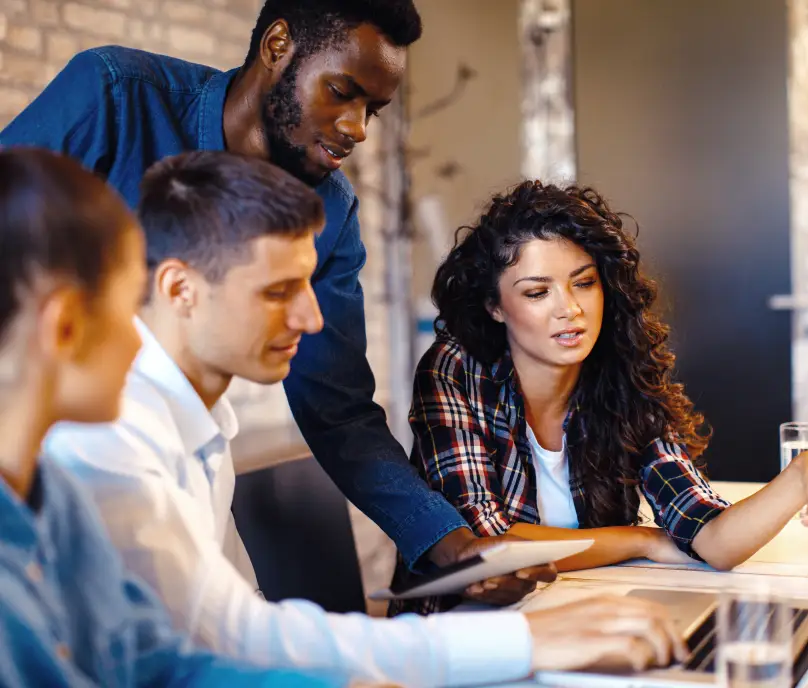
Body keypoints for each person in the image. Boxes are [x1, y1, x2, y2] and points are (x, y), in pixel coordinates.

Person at [43, 151, 687, 686]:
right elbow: (219, 640)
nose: (312, 319)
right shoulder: (114, 436)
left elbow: (240, 623)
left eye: (309, 287)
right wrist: (518, 641)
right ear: (180, 289)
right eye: (277, 292)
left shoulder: (196, 418)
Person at [0, 0, 528, 599]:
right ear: (277, 47)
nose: (356, 128)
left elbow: (336, 405)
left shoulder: (332, 209)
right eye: (341, 92)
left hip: (190, 486)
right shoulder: (117, 97)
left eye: (372, 110)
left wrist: (447, 541)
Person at [394, 180, 808, 615]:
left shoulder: (619, 375)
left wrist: (801, 476)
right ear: (495, 306)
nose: (568, 309)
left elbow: (710, 539)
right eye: (536, 292)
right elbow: (487, 549)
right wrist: (643, 539)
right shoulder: (457, 369)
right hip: (461, 634)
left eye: (583, 283)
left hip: (582, 613)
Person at [0, 147, 356, 687]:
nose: (141, 340)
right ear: (65, 326)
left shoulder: (55, 500)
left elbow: (154, 659)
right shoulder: (101, 456)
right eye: (127, 310)